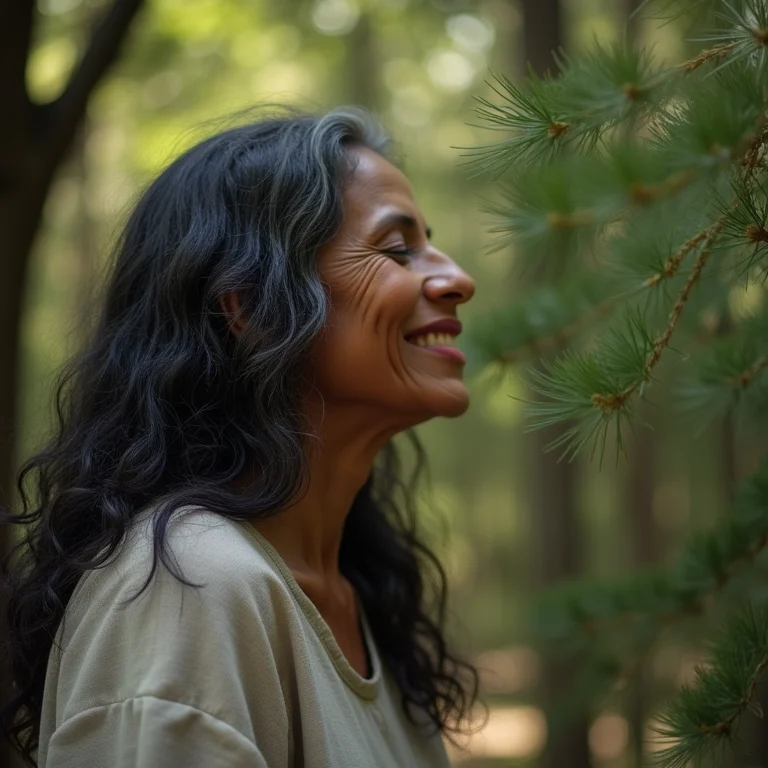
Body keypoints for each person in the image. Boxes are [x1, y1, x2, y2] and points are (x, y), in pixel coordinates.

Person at [0, 107, 479, 768]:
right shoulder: (187, 588)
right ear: (250, 306)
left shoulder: (348, 597)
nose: (458, 279)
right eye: (398, 250)